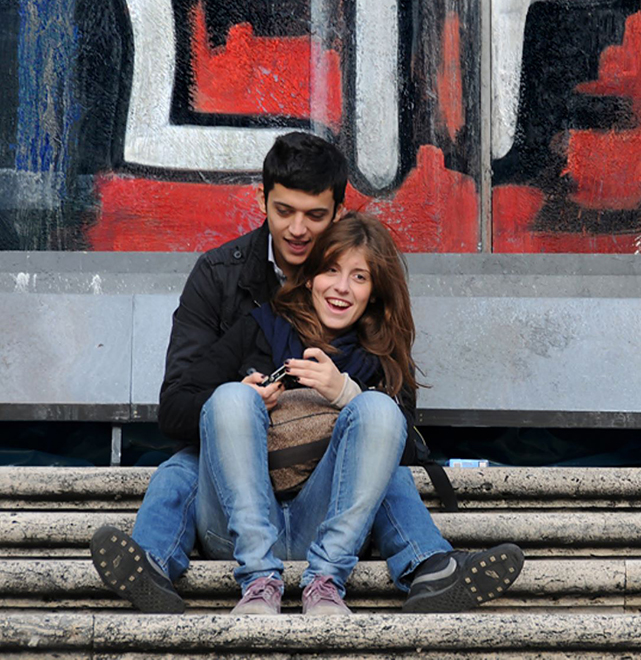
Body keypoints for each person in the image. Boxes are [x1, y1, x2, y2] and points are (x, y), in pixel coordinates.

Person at [91, 132, 519, 613]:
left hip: (328, 505)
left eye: (314, 216)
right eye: (284, 211)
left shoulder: (374, 324)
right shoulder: (225, 284)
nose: (297, 229)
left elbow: (396, 422)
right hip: (240, 504)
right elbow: (174, 407)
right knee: (182, 466)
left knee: (388, 462)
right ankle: (153, 567)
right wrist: (242, 399)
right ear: (262, 200)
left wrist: (346, 392)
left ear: (338, 212)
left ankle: (430, 569)